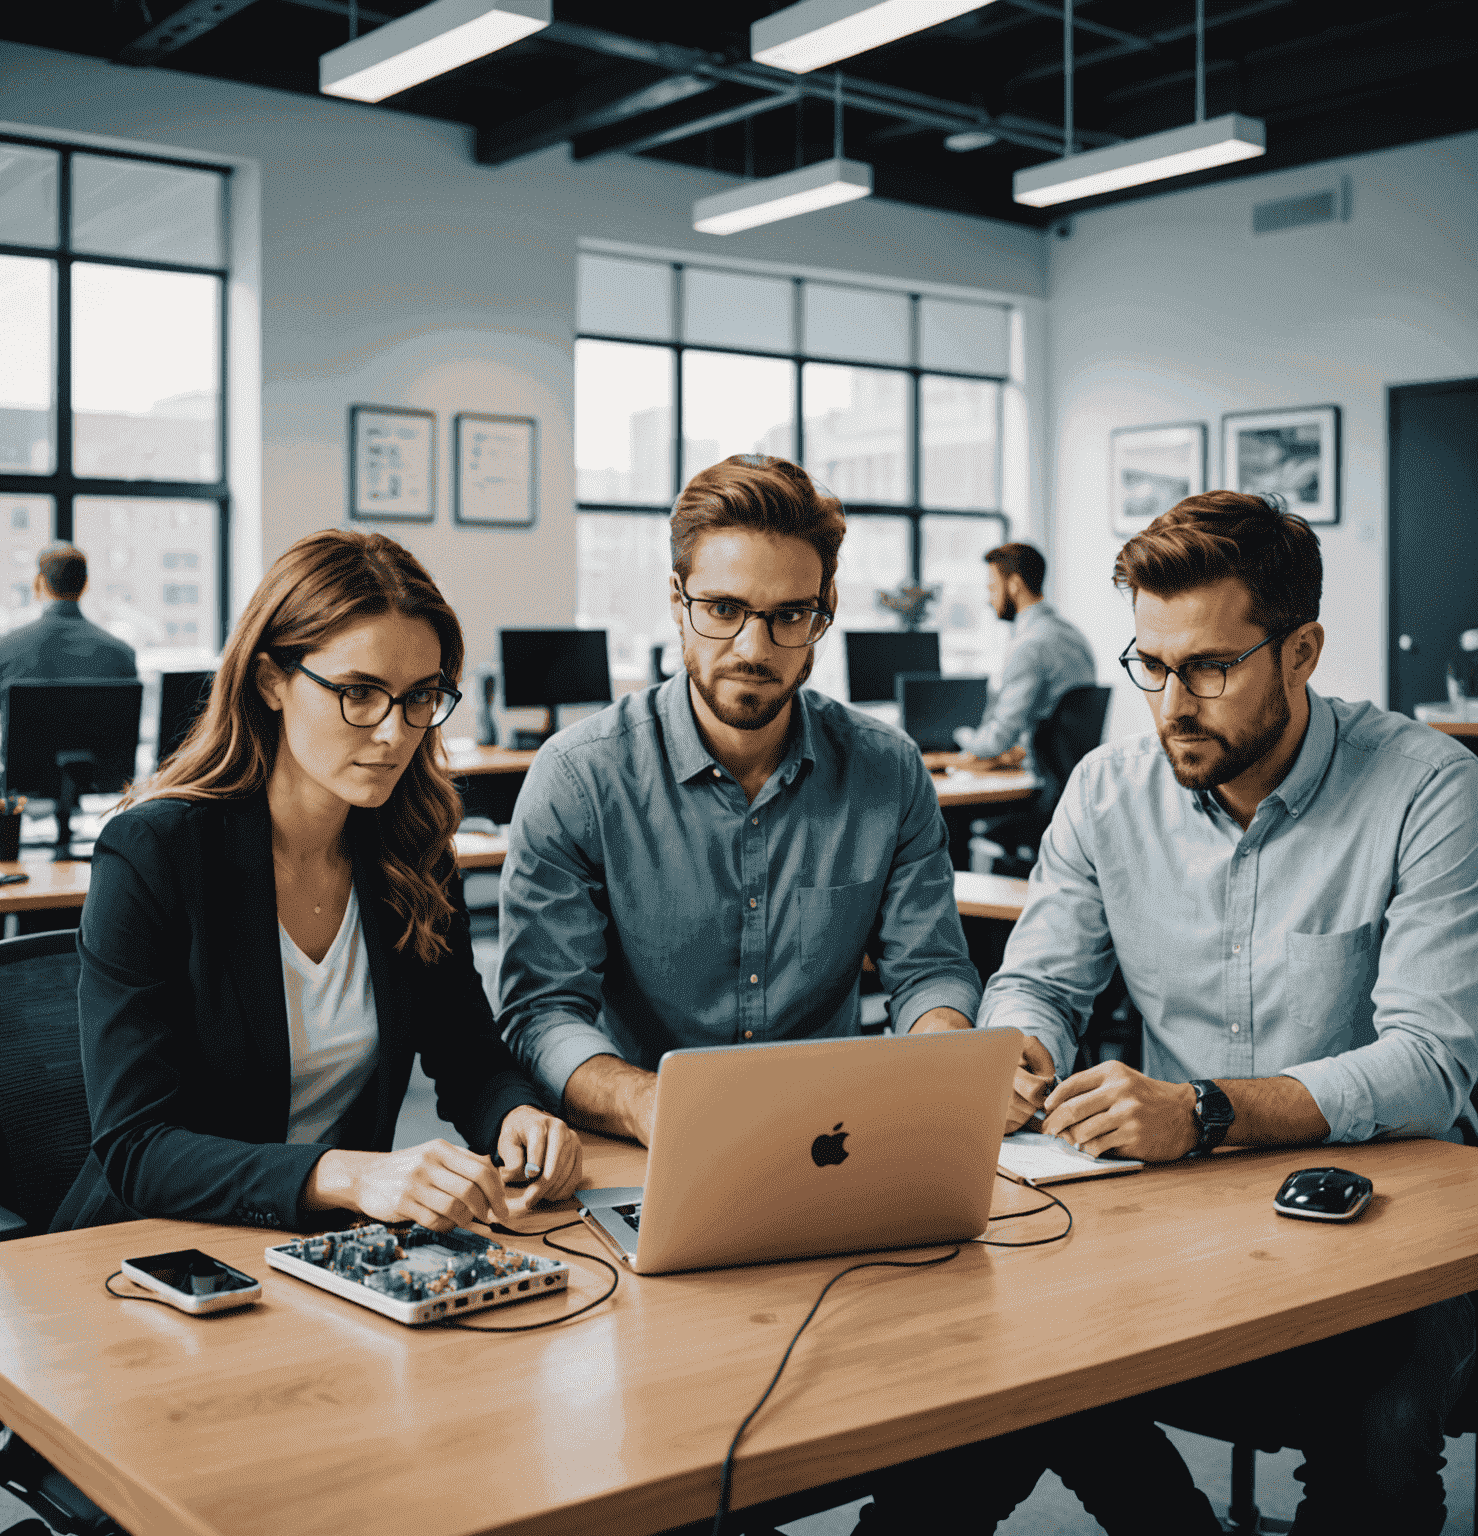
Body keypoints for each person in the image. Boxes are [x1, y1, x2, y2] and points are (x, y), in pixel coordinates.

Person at [972, 491, 1478, 1533]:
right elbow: (1041, 982)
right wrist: (1019, 1048)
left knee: (1375, 1426)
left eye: (1209, 667)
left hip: (1394, 1216)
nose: (1170, 704)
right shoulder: (1106, 791)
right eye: (1150, 665)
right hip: (1177, 1215)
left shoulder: (1429, 788)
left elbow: (1431, 1065)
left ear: (1301, 653)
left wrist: (1204, 1111)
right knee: (1013, 1370)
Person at [53, 529, 582, 1234]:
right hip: (152, 1253)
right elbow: (137, 1146)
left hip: (327, 1255)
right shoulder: (154, 853)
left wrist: (517, 1116)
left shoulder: (411, 847)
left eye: (420, 696)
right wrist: (347, 1172)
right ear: (272, 680)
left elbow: (468, 1057)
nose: (396, 733)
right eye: (359, 693)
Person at [497, 454, 980, 1147]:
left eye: (789, 616)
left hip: (835, 1143)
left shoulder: (888, 772)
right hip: (640, 1150)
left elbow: (929, 970)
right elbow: (541, 1010)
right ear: (677, 600)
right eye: (724, 609)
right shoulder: (580, 779)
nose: (754, 648)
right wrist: (646, 1102)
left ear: (824, 614)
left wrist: (940, 1058)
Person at [0, 543, 137, 763]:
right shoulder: (122, 655)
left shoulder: (2, 649)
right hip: (102, 790)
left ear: (39, 583)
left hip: (23, 791)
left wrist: (9, 758)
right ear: (85, 585)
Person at [952, 541, 1095, 768]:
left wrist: (960, 736)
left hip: (1039, 778)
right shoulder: (1073, 635)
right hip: (1069, 771)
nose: (989, 600)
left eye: (992, 588)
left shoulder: (1028, 645)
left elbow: (1000, 737)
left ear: (1014, 585)